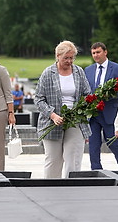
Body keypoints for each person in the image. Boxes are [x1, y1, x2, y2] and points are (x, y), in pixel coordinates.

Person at [35, 40, 91, 178]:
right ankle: (51, 190)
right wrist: (52, 115)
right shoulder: (48, 73)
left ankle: (71, 189)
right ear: (58, 56)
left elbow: (88, 94)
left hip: (75, 121)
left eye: (72, 58)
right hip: (52, 123)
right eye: (66, 58)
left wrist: (82, 110)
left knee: (73, 160)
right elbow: (39, 99)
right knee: (53, 161)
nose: (69, 61)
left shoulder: (79, 72)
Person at [84, 42, 118, 171]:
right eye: (93, 53)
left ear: (105, 52)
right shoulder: (88, 70)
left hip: (110, 112)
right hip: (93, 114)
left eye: (98, 52)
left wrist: (109, 95)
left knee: (113, 142)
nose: (96, 55)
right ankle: (96, 169)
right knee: (93, 143)